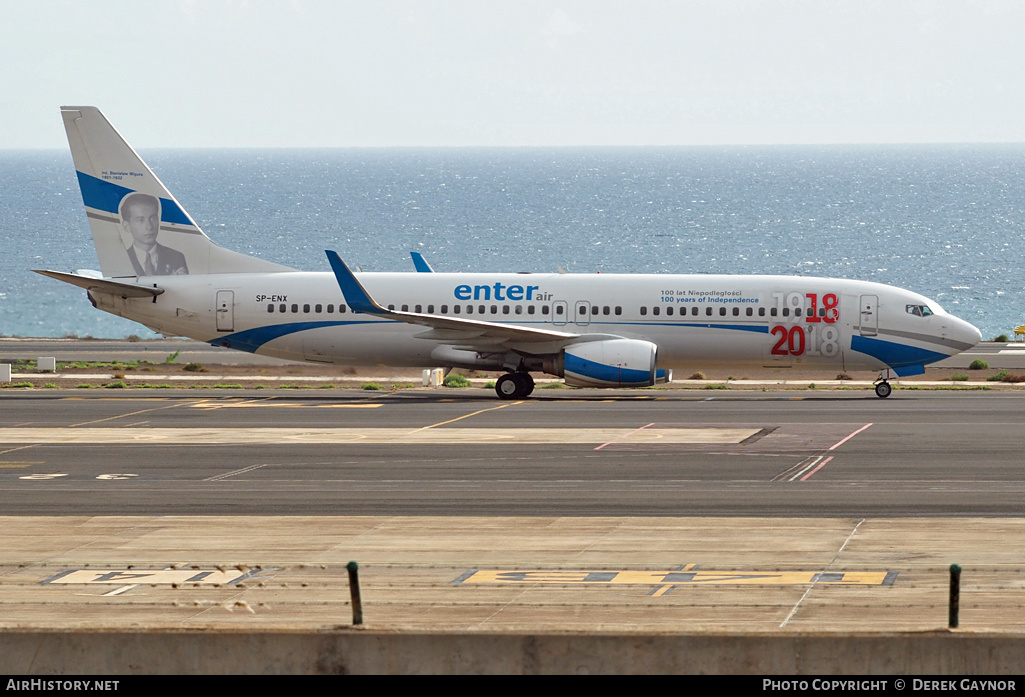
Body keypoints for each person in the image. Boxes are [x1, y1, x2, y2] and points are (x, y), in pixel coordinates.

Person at [119, 192, 189, 275]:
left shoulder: (176, 257)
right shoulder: (121, 259)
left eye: (153, 218)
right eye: (140, 220)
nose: (149, 226)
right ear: (127, 226)